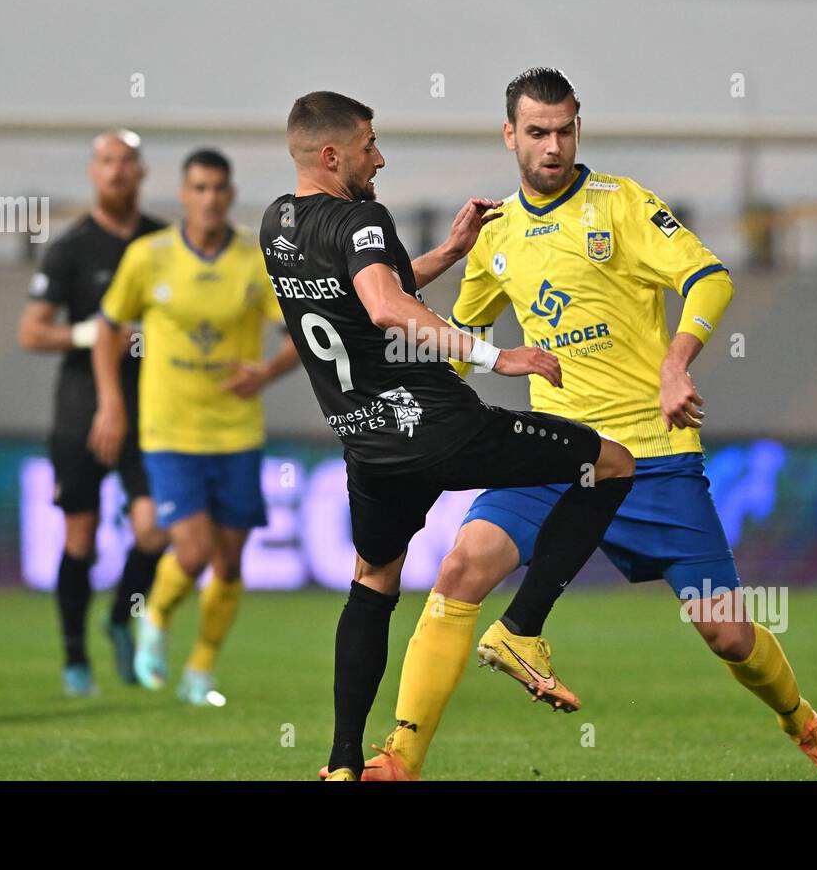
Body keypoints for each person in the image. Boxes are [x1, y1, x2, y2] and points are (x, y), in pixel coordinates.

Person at [366, 67, 817, 781]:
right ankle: (399, 757)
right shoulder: (495, 235)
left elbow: (711, 276)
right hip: (554, 453)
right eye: (537, 132)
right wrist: (418, 415)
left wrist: (677, 361)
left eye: (565, 130)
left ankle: (804, 722)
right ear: (509, 135)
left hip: (654, 454)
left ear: (579, 128)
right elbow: (466, 338)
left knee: (726, 633)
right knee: (461, 564)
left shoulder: (621, 204)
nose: (553, 146)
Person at [261, 90, 635, 780]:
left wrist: (448, 253)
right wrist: (500, 355)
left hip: (368, 445)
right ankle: (522, 627)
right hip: (442, 429)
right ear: (332, 153)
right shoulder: (360, 216)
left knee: (373, 579)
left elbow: (370, 290)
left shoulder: (277, 224)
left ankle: (343, 761)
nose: (381, 158)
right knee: (611, 462)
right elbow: (384, 304)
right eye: (370, 145)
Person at [92, 147, 299, 705]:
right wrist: (111, 403)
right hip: (169, 432)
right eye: (199, 188)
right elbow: (108, 328)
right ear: (183, 194)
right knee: (192, 551)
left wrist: (265, 373)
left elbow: (301, 333)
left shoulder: (254, 262)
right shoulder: (148, 256)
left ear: (230, 196)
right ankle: (154, 617)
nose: (209, 199)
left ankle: (201, 669)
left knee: (229, 563)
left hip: (236, 432)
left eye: (218, 189)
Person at [17, 129, 169, 696]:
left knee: (155, 527)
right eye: (107, 162)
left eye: (127, 162)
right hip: (84, 411)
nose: (116, 172)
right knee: (80, 538)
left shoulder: (162, 242)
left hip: (152, 409)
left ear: (142, 173)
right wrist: (95, 332)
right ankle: (75, 657)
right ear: (92, 172)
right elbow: (30, 331)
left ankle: (118, 619)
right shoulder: (71, 247)